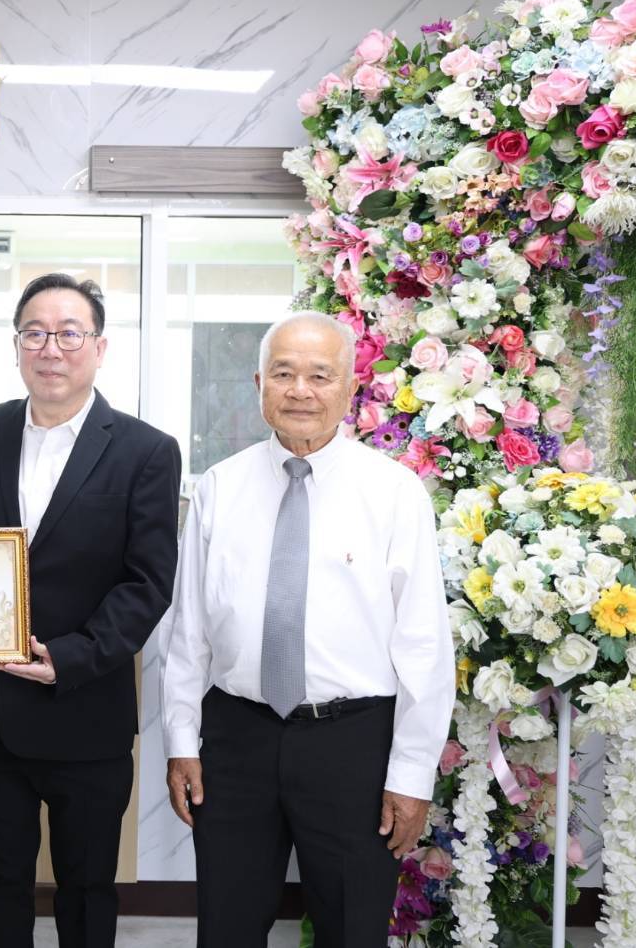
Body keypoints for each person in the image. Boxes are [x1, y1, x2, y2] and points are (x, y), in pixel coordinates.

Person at [162, 310, 454, 948]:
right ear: (259, 382)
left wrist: (410, 775)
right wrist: (182, 739)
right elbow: (190, 631)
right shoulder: (219, 488)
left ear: (350, 388)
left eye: (320, 375)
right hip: (236, 737)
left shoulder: (395, 492)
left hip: (352, 742)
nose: (301, 390)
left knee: (352, 928)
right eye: (285, 373)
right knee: (227, 926)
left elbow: (425, 648)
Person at [0, 273, 182, 948]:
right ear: (16, 346)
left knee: (88, 889)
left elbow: (148, 582)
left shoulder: (146, 451)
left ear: (99, 348)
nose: (52, 348)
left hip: (86, 715)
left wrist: (68, 657)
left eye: (69, 333)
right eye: (35, 333)